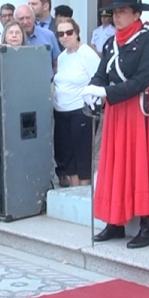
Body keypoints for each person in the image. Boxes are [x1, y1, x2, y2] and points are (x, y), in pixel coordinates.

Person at [85, 0, 149, 249]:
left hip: (140, 106)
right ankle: (115, 221)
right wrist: (93, 89)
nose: (116, 17)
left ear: (135, 14)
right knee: (115, 163)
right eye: (114, 13)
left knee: (142, 163)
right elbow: (101, 73)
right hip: (117, 108)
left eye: (121, 12)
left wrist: (107, 91)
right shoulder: (111, 42)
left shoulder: (148, 39)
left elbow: (145, 77)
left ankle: (148, 225)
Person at [54, 18, 98, 188]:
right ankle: (74, 190)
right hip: (61, 111)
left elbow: (98, 79)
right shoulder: (62, 56)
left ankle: (84, 192)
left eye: (69, 32)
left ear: (77, 33)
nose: (65, 36)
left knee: (82, 154)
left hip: (81, 111)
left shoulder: (86, 54)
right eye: (61, 34)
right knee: (67, 154)